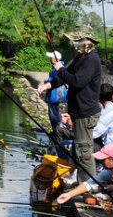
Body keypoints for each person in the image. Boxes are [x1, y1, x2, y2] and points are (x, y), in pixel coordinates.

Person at [37, 25, 102, 186]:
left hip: (86, 113)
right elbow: (64, 77)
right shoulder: (80, 59)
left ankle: (88, 186)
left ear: (84, 42)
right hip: (78, 112)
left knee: (84, 151)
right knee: (79, 149)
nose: (73, 43)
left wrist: (59, 68)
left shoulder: (91, 59)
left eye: (76, 40)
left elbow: (77, 81)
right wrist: (48, 86)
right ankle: (82, 183)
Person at [44, 50, 67, 134]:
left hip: (57, 96)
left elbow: (58, 80)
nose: (50, 59)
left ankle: (58, 134)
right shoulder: (54, 68)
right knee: (52, 116)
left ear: (56, 59)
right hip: (53, 96)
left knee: (56, 116)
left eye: (52, 57)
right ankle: (55, 132)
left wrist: (48, 81)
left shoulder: (59, 68)